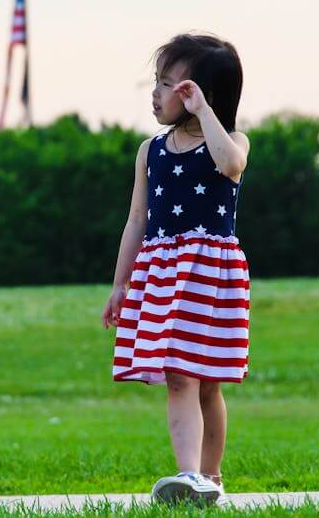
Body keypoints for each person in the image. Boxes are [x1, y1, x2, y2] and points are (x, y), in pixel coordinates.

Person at [102, 33, 251, 506]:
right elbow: (136, 220)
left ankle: (211, 476)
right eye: (158, 82)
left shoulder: (228, 141)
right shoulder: (151, 150)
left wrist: (205, 113)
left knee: (208, 383)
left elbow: (232, 165)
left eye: (169, 84)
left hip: (210, 277)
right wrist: (120, 284)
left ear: (199, 92)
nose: (156, 93)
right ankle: (189, 476)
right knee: (179, 375)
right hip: (163, 274)